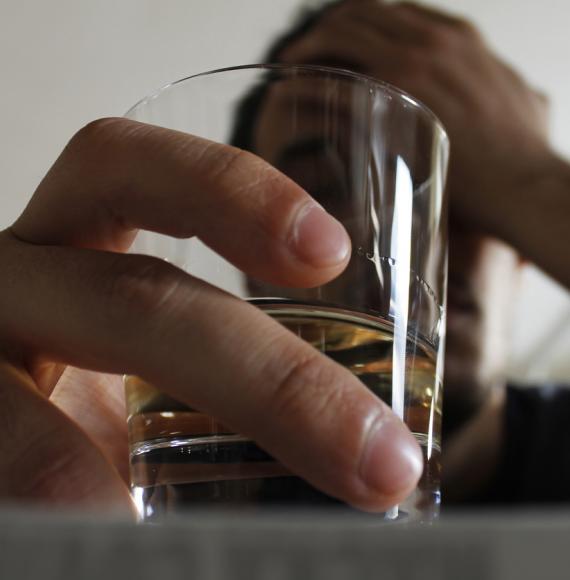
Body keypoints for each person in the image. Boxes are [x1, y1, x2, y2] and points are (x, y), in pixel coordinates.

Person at [0, 0, 568, 512]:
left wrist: (534, 179)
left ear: (520, 252)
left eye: (467, 190)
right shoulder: (177, 469)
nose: (409, 230)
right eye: (325, 187)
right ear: (250, 252)